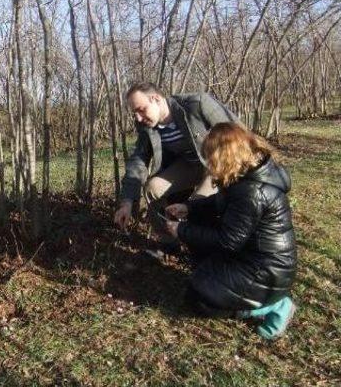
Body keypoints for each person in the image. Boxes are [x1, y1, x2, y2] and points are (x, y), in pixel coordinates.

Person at [165, 122, 297, 340]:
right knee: (199, 282)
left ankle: (275, 306)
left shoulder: (251, 191)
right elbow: (220, 203)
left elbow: (227, 241)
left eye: (211, 157)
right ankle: (215, 279)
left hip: (265, 270)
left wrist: (182, 231)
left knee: (198, 302)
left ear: (225, 155)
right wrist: (189, 208)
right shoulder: (246, 175)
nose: (208, 163)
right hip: (256, 259)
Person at [113, 82, 239, 246]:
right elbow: (139, 160)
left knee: (194, 203)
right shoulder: (146, 125)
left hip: (216, 165)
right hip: (188, 165)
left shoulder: (197, 104)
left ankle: (202, 251)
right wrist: (127, 202)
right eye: (135, 112)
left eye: (141, 109)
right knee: (152, 189)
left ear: (156, 99)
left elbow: (238, 132)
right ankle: (170, 243)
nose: (138, 117)